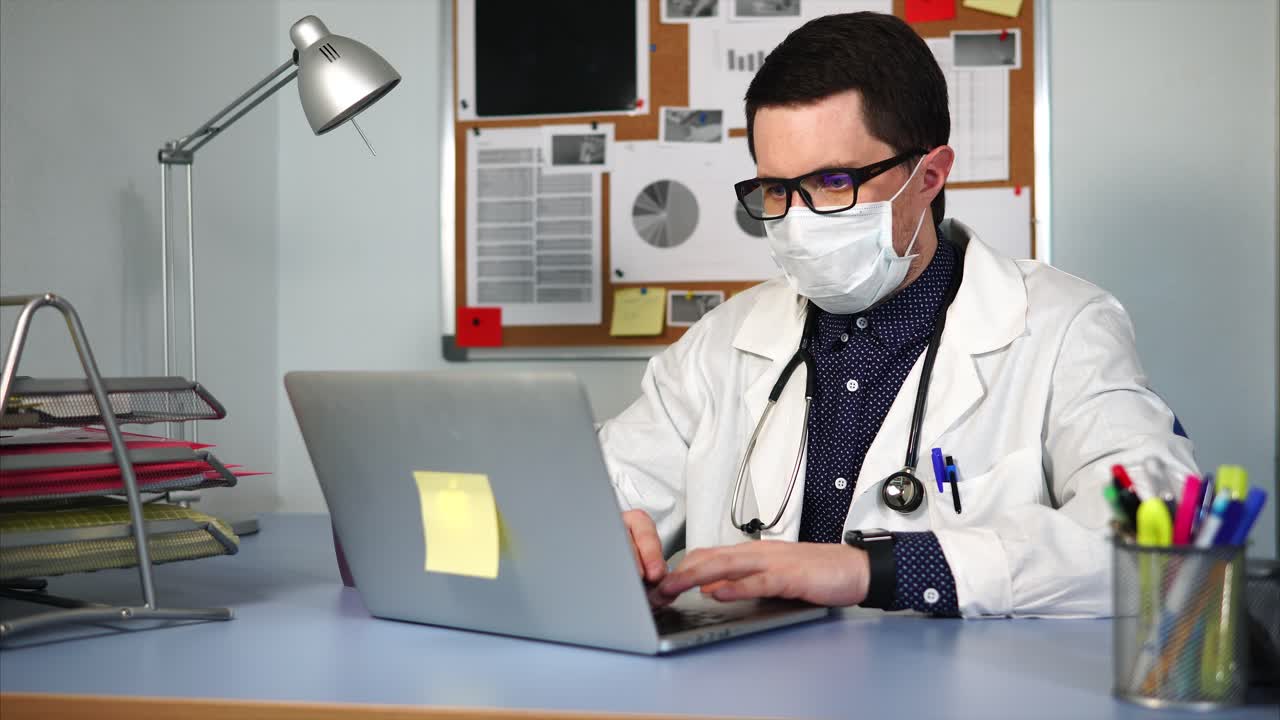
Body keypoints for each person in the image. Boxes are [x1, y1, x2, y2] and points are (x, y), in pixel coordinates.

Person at [597, 12, 1196, 618]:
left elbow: (1160, 534)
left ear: (929, 175)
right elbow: (587, 494)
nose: (800, 220)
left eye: (834, 181)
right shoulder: (721, 344)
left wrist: (876, 571)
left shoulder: (1064, 327)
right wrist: (604, 539)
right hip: (747, 701)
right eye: (777, 190)